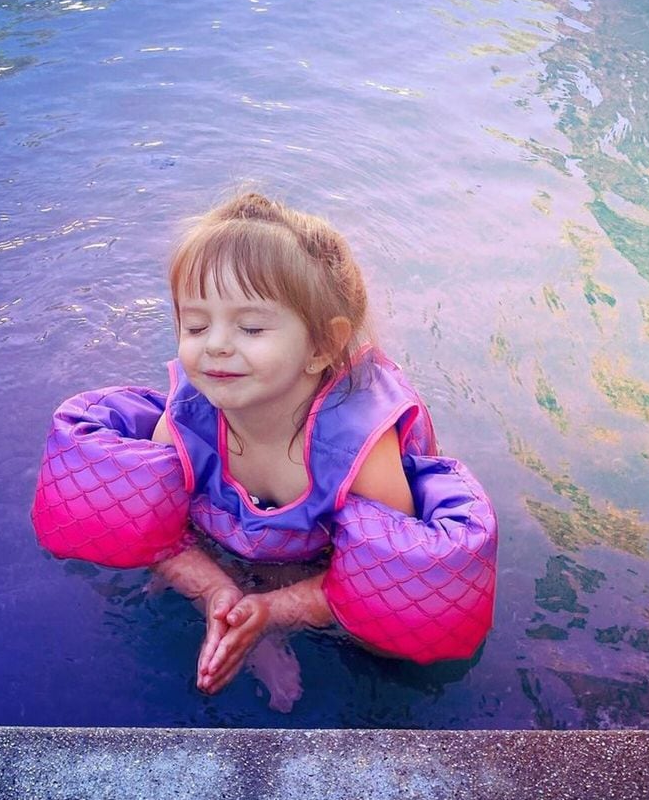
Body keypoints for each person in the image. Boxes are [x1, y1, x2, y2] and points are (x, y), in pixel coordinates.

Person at [31, 192, 497, 711]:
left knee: (384, 639)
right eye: (196, 325)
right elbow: (154, 531)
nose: (216, 346)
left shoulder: (362, 450)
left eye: (250, 328)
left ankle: (264, 627)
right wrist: (214, 592)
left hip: (316, 564)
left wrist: (276, 611)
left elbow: (381, 574)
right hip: (224, 542)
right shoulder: (188, 414)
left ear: (321, 347)